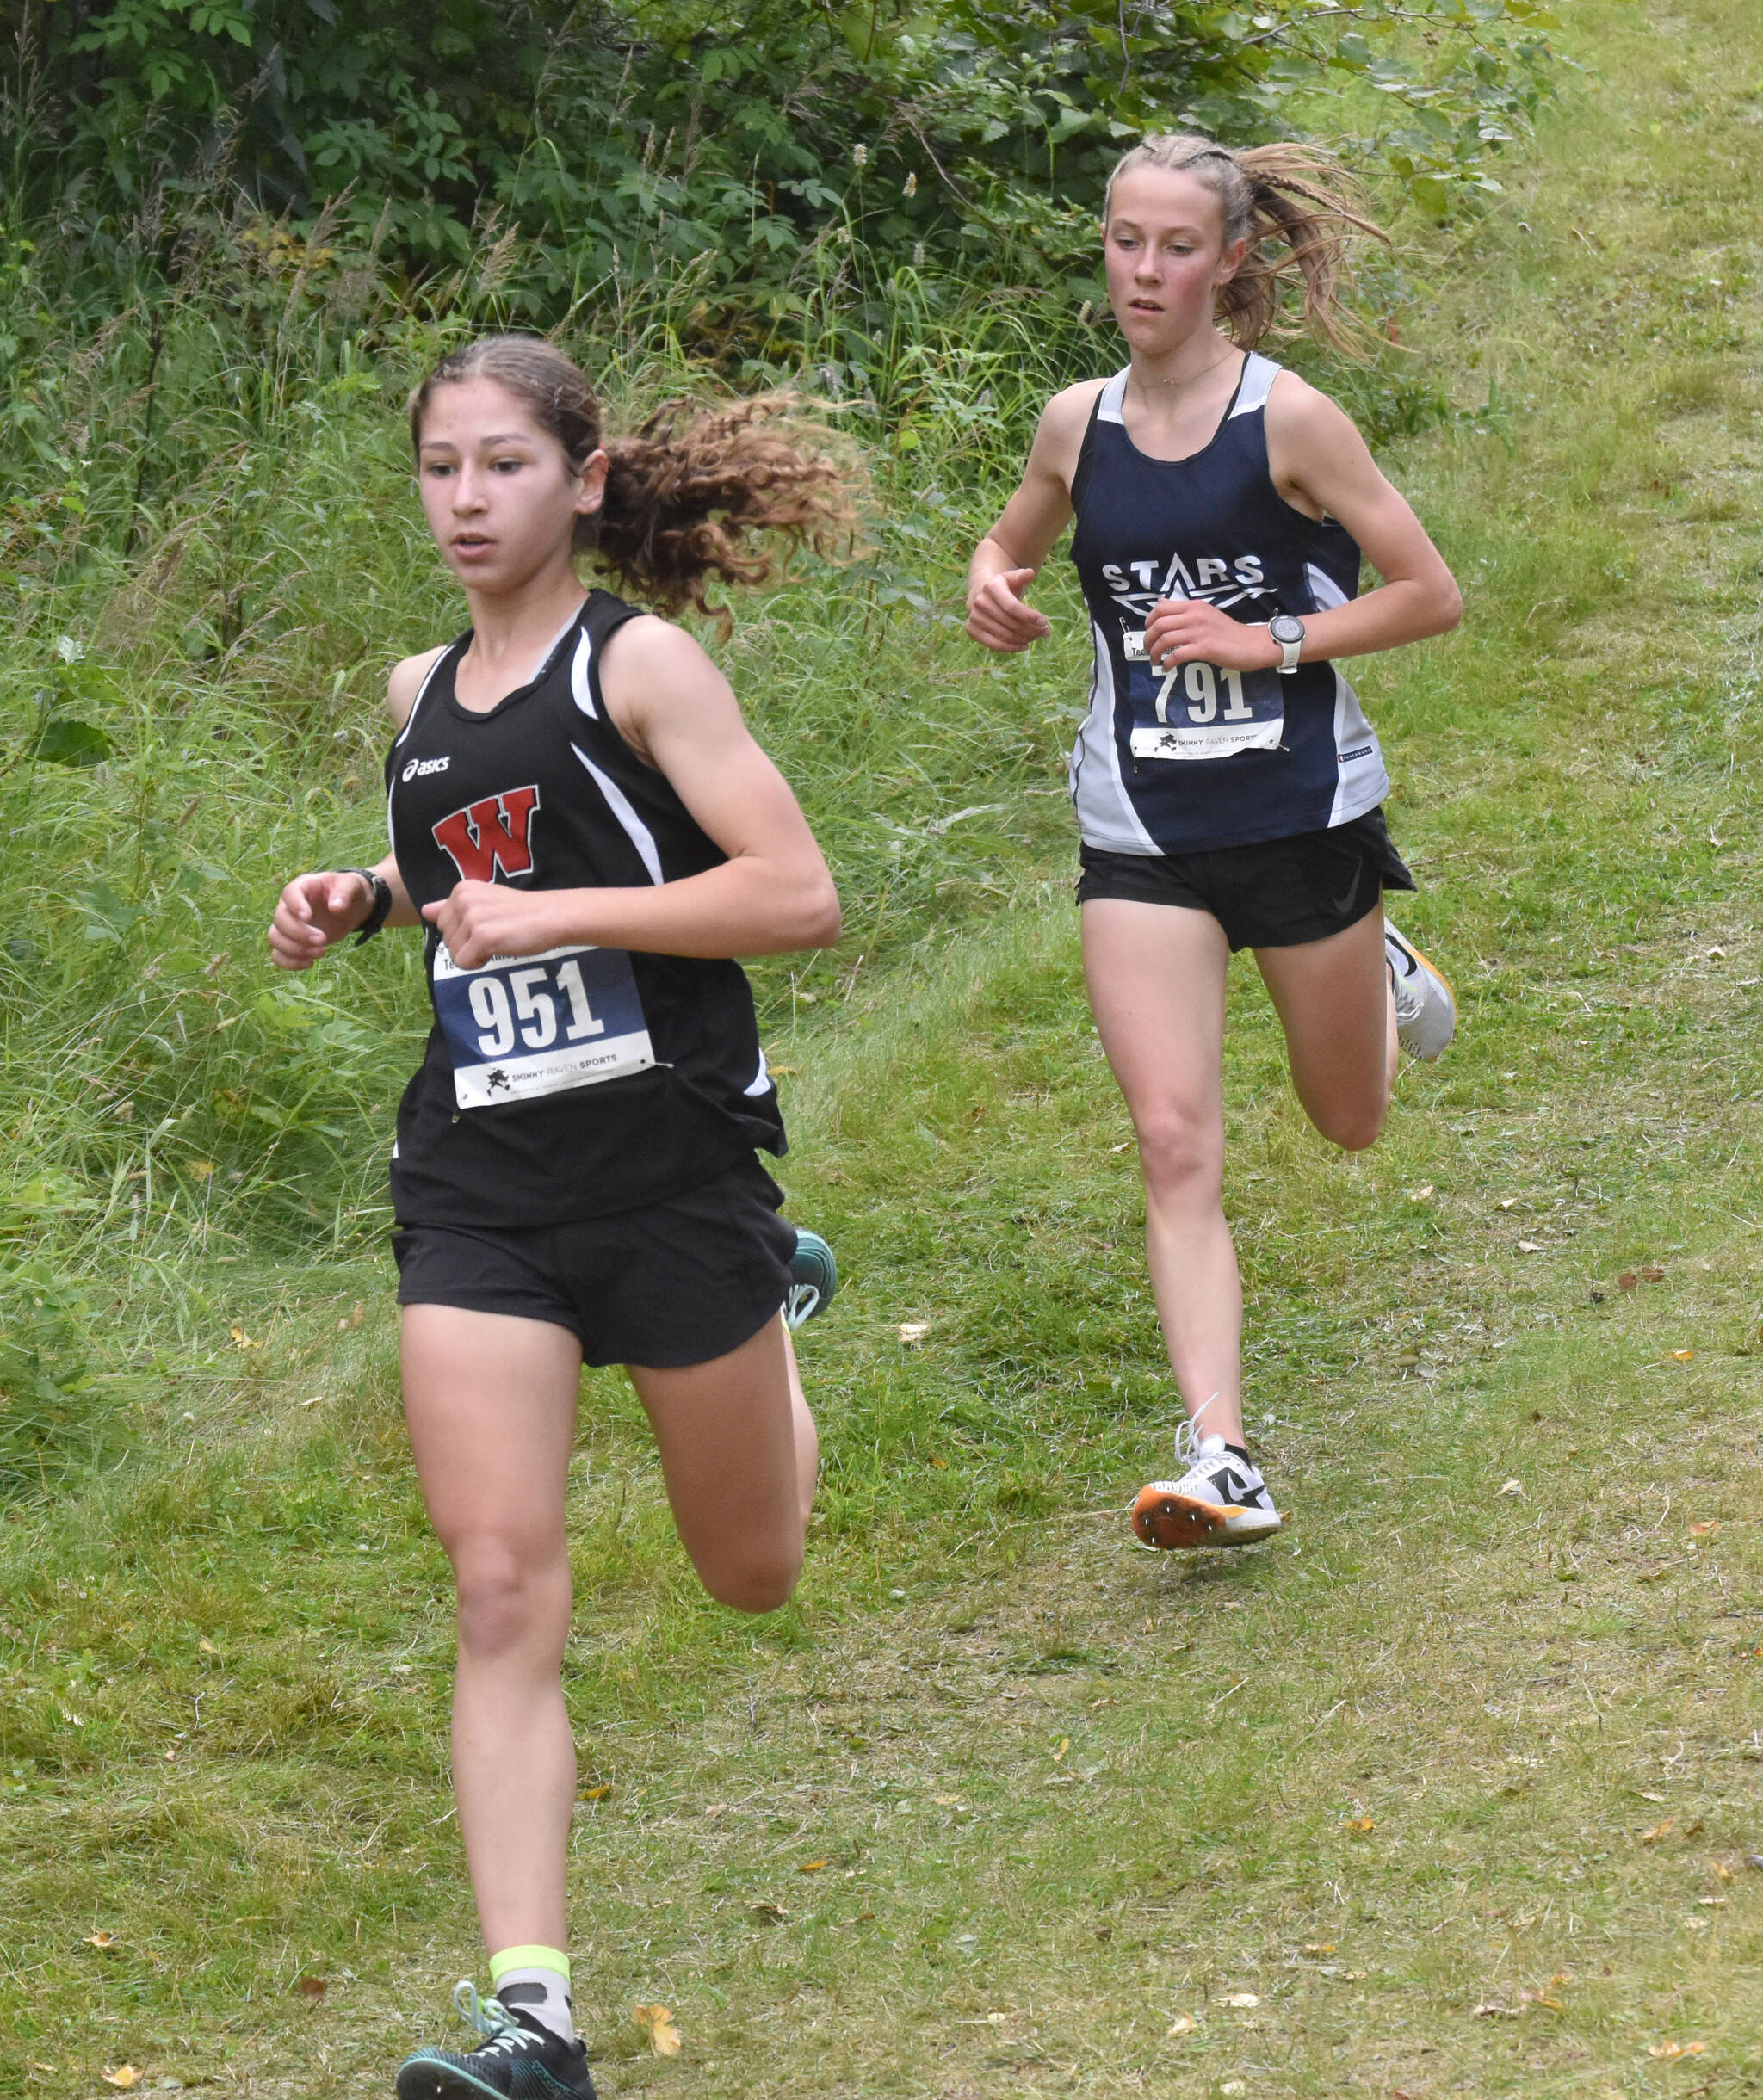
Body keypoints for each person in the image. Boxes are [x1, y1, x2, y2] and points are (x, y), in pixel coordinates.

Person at [267, 335, 850, 2098]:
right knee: (500, 1576)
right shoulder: (411, 690)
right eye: (440, 465)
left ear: (582, 481)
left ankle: (775, 1288)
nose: (465, 499)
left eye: (502, 464)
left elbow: (796, 893)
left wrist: (562, 918)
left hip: (667, 1172)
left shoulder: (641, 663)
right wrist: (366, 896)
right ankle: (536, 2014)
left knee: (751, 1572)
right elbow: (469, 864)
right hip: (481, 1181)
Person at [966, 135, 1463, 1553]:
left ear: (1229, 261)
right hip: (1141, 830)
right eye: (1125, 240)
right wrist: (994, 591)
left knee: (1349, 1119)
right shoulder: (1078, 423)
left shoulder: (1292, 421)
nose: (1143, 270)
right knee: (1175, 1141)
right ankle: (1220, 1449)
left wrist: (1268, 641)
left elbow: (1431, 594)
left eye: (1176, 246)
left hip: (1300, 813)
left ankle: (1375, 967)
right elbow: (1002, 549)